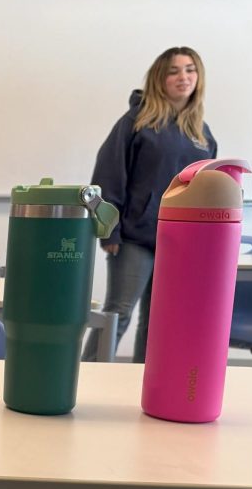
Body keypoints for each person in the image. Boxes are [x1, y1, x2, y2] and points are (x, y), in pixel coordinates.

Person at [82, 47, 218, 363]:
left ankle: (148, 383)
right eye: (174, 71)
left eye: (190, 70)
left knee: (159, 321)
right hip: (134, 237)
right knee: (119, 313)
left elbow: (206, 188)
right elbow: (108, 175)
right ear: (160, 78)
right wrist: (109, 231)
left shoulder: (202, 133)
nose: (183, 77)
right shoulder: (136, 121)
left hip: (180, 242)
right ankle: (87, 376)